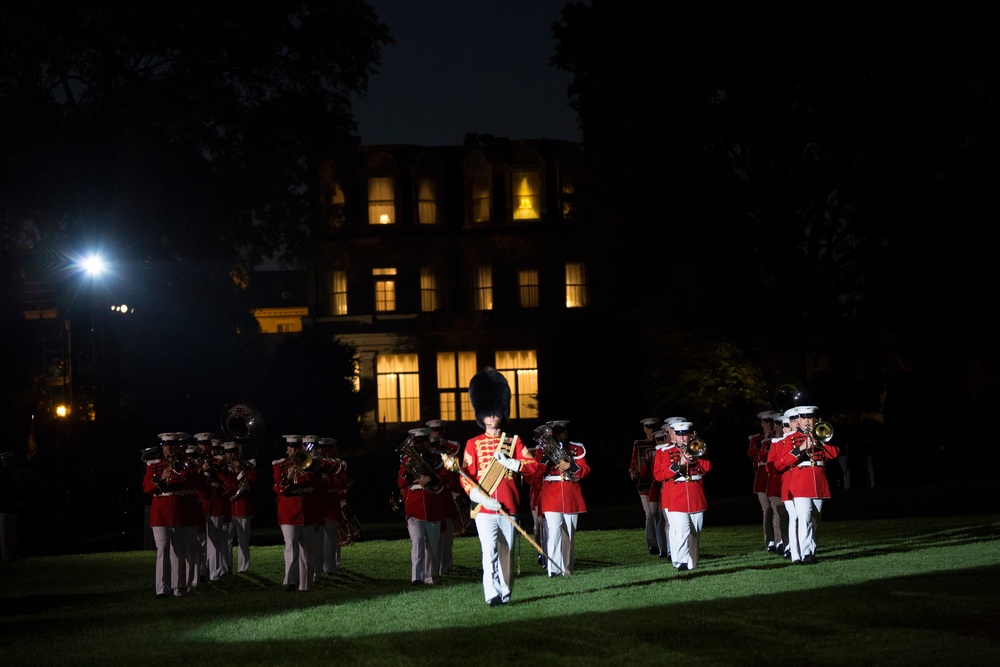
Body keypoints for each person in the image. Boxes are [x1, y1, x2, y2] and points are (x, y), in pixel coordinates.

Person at [460, 368, 539, 606]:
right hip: (485, 509)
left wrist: (513, 463)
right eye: (488, 413)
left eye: (496, 412)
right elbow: (465, 476)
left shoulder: (513, 442)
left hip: (509, 504)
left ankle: (505, 592)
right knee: (489, 552)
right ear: (481, 416)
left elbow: (533, 467)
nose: (492, 416)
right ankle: (491, 593)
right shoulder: (472, 444)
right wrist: (482, 499)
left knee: (507, 551)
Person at [773, 405, 839, 564]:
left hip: (819, 481)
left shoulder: (821, 435)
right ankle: (805, 553)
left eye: (810, 418)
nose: (808, 421)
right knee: (805, 518)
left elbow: (834, 453)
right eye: (804, 418)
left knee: (815, 519)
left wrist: (821, 441)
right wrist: (801, 448)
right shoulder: (790, 439)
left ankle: (811, 551)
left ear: (815, 419)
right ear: (799, 420)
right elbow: (780, 464)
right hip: (800, 482)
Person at [142, 432, 205, 597]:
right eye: (166, 446)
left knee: (180, 551)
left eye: (172, 446)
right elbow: (147, 488)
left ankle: (179, 588)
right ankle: (162, 589)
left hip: (180, 512)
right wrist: (161, 477)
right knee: (162, 549)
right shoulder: (154, 465)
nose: (169, 449)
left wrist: (184, 471)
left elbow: (202, 488)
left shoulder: (189, 465)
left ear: (179, 447)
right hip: (160, 514)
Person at [530, 420, 590, 577]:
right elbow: (534, 475)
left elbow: (585, 470)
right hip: (551, 493)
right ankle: (553, 570)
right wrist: (545, 461)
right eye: (554, 432)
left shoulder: (576, 448)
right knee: (554, 532)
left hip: (571, 492)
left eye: (560, 432)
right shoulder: (542, 450)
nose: (558, 435)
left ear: (566, 432)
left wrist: (569, 466)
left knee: (569, 533)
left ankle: (567, 569)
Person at [654, 421, 711, 571]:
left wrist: (695, 458)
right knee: (681, 530)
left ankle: (692, 563)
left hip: (695, 493)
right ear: (673, 436)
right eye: (679, 435)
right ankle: (680, 562)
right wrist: (680, 463)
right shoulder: (663, 452)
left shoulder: (697, 448)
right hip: (676, 494)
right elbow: (659, 475)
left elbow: (707, 468)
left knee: (695, 531)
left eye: (685, 434)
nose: (683, 438)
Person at [398, 428, 452, 585]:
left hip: (433, 505)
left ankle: (430, 577)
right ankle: (417, 577)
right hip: (415, 506)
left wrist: (430, 478)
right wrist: (409, 473)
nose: (421, 445)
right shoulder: (408, 460)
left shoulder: (437, 458)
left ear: (428, 441)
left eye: (424, 441)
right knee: (417, 543)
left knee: (432, 546)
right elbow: (400, 483)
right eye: (418, 442)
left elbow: (447, 477)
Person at [273, 434, 326, 591]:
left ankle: (305, 585)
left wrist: (309, 470)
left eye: (297, 447)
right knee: (291, 547)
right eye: (291, 447)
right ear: (287, 449)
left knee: (307, 552)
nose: (293, 450)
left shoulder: (311, 464)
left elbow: (317, 484)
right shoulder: (280, 465)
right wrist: (289, 476)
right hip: (288, 512)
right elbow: (278, 489)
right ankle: (290, 581)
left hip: (307, 511)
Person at [427, 419, 464, 575]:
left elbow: (454, 469)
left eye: (438, 430)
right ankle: (434, 566)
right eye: (433, 431)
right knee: (434, 533)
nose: (436, 433)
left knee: (447, 533)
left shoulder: (451, 446)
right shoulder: (425, 448)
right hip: (431, 493)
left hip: (447, 492)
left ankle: (446, 565)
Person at [748, 410, 784, 554]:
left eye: (772, 422)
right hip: (763, 476)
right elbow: (754, 455)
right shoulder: (758, 439)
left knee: (777, 509)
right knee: (767, 510)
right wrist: (767, 440)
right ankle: (769, 540)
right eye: (766, 422)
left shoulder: (779, 439)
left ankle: (779, 540)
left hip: (775, 475)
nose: (769, 425)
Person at [223, 441, 256, 574]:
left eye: (233, 451)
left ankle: (243, 567)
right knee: (227, 539)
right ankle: (227, 566)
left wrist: (243, 467)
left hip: (243, 505)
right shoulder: (222, 466)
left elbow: (254, 478)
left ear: (238, 452)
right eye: (228, 452)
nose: (230, 455)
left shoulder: (247, 464)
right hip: (228, 506)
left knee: (243, 539)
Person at [629, 418, 660, 555]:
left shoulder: (661, 443)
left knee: (659, 513)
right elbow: (634, 462)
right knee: (649, 514)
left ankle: (661, 543)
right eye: (648, 427)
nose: (651, 430)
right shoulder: (639, 444)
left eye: (653, 427)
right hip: (644, 483)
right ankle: (652, 543)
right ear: (644, 429)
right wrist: (633, 472)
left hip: (658, 481)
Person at [0, 451, 21, 562]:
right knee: (5, 530)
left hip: (11, 505)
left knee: (11, 530)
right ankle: (6, 554)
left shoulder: (10, 473)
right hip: (5, 505)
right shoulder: (4, 473)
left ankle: (11, 552)